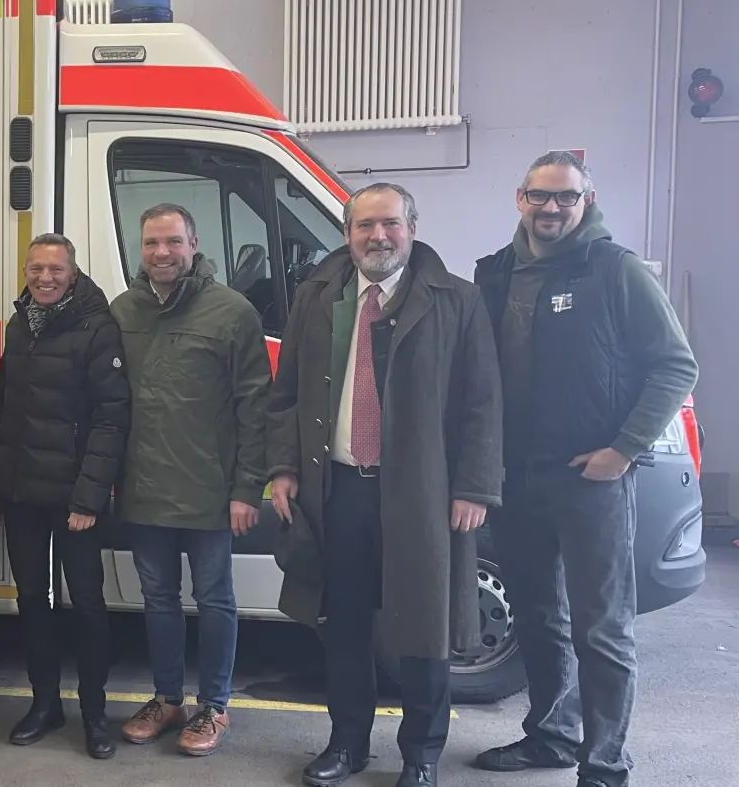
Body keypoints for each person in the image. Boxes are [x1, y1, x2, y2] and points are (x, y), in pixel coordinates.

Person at [472, 152, 698, 787]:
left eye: (565, 198)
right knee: (539, 615)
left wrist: (622, 450)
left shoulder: (615, 270)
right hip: (514, 479)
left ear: (586, 200)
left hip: (590, 480)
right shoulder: (494, 274)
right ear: (520, 198)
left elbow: (675, 365)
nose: (551, 208)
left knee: (602, 627)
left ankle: (604, 763)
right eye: (539, 197)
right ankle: (550, 736)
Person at [267, 183, 503, 787]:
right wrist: (284, 467)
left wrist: (474, 487)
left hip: (421, 496)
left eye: (390, 224)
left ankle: (421, 754)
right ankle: (347, 745)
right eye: (365, 225)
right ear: (347, 234)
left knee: (422, 632)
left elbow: (482, 402)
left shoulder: (458, 299)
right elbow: (286, 393)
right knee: (343, 626)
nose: (378, 236)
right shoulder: (317, 297)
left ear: (413, 227)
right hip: (337, 490)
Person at [107, 203, 270, 757]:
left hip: (211, 491)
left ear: (194, 244)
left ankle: (214, 706)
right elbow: (112, 404)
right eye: (152, 243)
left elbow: (255, 406)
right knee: (157, 599)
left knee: (215, 599)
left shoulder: (232, 312)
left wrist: (248, 488)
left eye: (173, 242)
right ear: (140, 246)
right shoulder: (122, 310)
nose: (162, 253)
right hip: (145, 487)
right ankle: (168, 698)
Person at [0, 234, 128, 759]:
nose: (44, 278)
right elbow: (12, 410)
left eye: (54, 270)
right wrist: (5, 488)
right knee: (33, 603)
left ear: (73, 274)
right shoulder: (20, 323)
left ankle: (95, 715)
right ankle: (44, 704)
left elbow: (111, 419)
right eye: (35, 269)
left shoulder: (97, 327)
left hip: (76, 501)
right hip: (26, 494)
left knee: (88, 606)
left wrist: (88, 499)